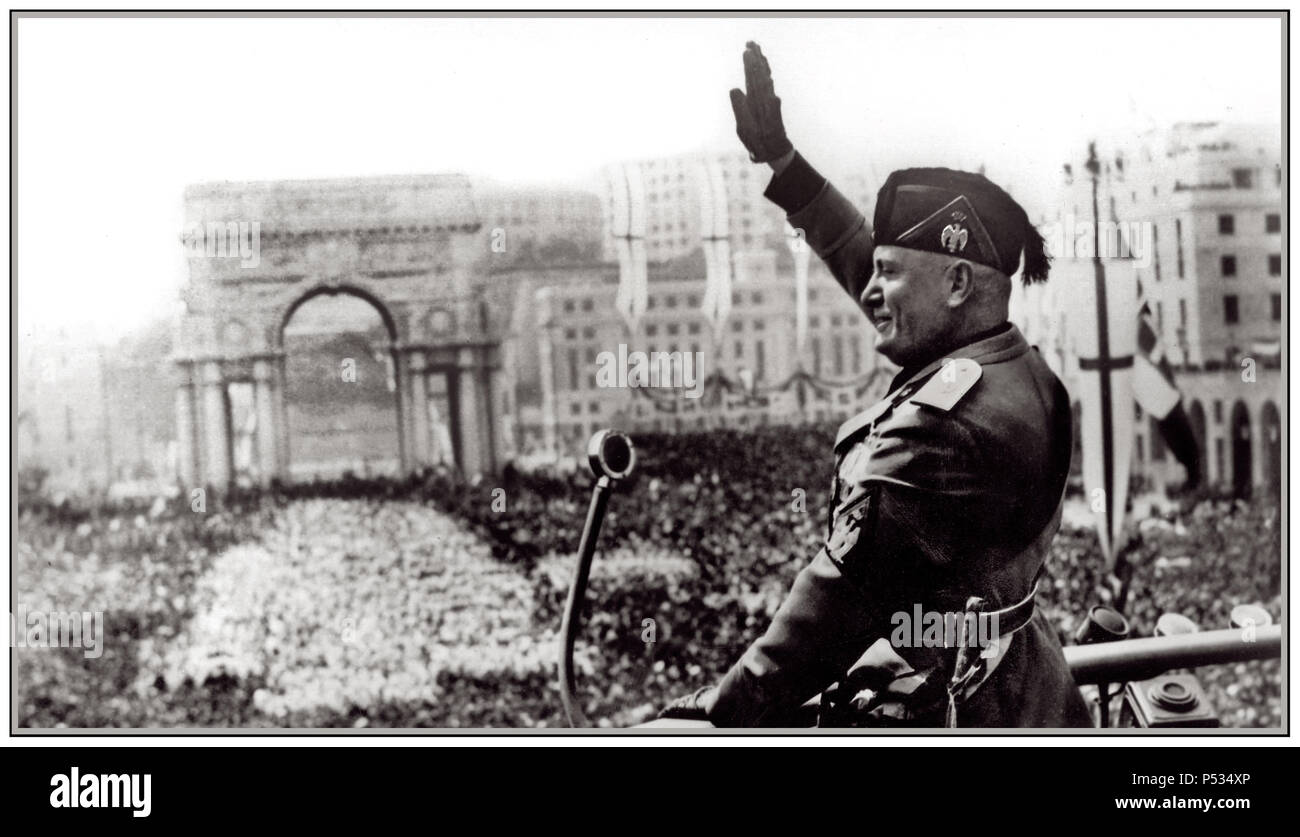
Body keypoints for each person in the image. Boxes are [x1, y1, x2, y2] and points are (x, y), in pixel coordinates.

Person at [659, 42, 1091, 727]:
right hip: (1025, 684)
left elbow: (837, 600)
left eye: (891, 274)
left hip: (950, 709)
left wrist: (726, 705)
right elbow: (871, 261)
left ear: (955, 283)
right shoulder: (1011, 367)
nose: (870, 290)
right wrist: (788, 170)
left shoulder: (942, 424)